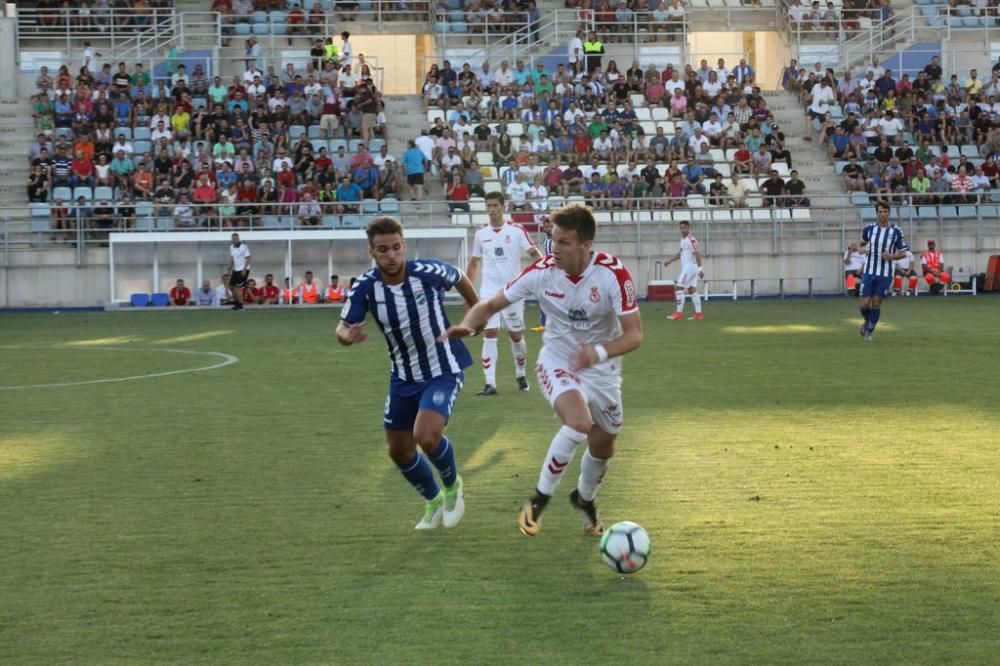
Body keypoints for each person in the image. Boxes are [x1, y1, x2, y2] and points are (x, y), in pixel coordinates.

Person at [441, 204, 643, 537]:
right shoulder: (540, 272)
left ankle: (584, 499)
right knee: (579, 424)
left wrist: (598, 352)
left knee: (603, 447)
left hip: (602, 369)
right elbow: (491, 304)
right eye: (552, 239)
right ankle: (538, 500)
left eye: (563, 242)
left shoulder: (613, 274)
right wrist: (467, 325)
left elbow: (634, 334)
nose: (554, 248)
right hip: (558, 361)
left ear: (585, 245)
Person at [337, 216, 479, 530]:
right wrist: (345, 336)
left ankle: (453, 486)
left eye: (396, 247)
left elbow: (459, 277)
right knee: (399, 451)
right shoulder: (366, 286)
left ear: (405, 245)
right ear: (372, 251)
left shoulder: (427, 272)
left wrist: (474, 311)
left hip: (443, 368)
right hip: (402, 376)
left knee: (426, 436)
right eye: (383, 249)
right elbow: (344, 326)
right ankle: (433, 500)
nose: (391, 255)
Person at [465, 191, 544, 396]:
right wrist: (468, 292)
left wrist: (546, 271)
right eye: (488, 206)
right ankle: (490, 384)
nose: (491, 210)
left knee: (516, 335)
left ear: (503, 207)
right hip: (489, 291)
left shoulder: (517, 230)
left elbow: (534, 253)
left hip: (513, 290)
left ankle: (520, 374)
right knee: (490, 333)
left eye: (495, 206)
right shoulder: (481, 234)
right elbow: (474, 262)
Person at [858, 202, 909, 341]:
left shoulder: (896, 231)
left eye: (885, 211)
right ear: (876, 213)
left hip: (885, 273)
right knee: (863, 304)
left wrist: (892, 256)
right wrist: (861, 249)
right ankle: (868, 321)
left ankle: (870, 331)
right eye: (880, 211)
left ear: (889, 213)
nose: (883, 214)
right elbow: (861, 244)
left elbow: (904, 252)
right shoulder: (869, 229)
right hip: (869, 271)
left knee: (876, 302)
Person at [662, 220, 704, 320]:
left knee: (678, 287)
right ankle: (698, 314)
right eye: (681, 228)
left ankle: (678, 313)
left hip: (690, 267)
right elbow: (680, 253)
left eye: (685, 228)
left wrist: (700, 269)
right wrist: (670, 261)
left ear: (688, 228)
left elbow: (697, 254)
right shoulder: (683, 240)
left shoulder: (691, 239)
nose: (683, 230)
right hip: (688, 267)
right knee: (691, 290)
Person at [531, 214, 554, 332]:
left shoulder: (554, 241)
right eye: (547, 226)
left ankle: (546, 324)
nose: (549, 228)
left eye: (551, 226)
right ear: (544, 228)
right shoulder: (546, 240)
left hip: (554, 273)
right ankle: (544, 323)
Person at [228, 232, 251, 310]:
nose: (235, 240)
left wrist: (244, 269)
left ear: (238, 239)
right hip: (236, 270)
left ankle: (240, 305)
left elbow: (248, 259)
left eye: (236, 238)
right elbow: (232, 258)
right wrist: (229, 268)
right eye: (233, 238)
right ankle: (236, 303)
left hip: (243, 269)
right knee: (231, 286)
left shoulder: (244, 247)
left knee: (238, 287)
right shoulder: (231, 247)